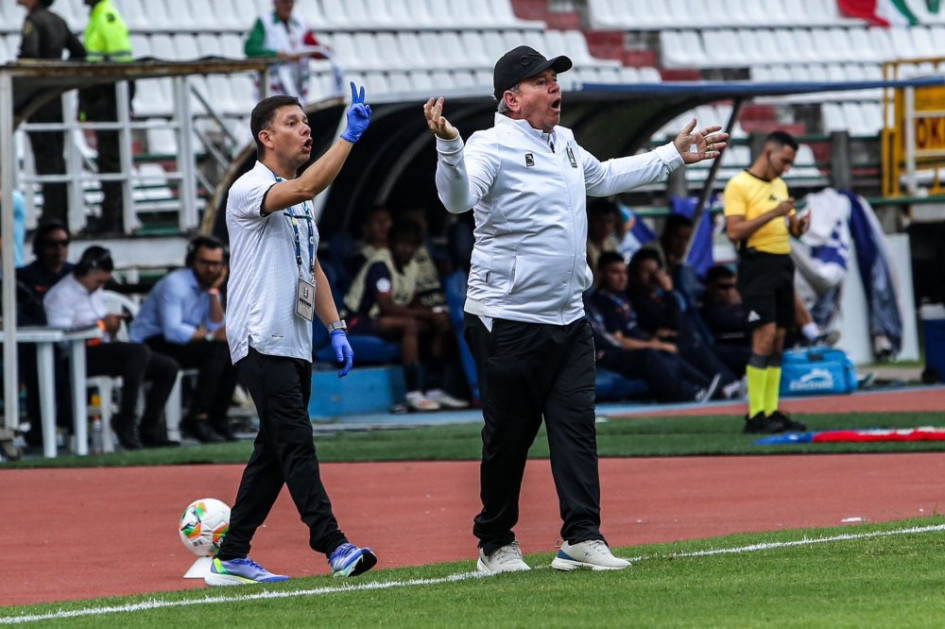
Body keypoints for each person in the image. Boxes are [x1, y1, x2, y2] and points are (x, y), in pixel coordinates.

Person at [424, 45, 727, 573]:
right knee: (508, 438)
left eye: (555, 79)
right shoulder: (487, 145)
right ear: (513, 100)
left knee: (576, 429)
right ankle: (494, 543)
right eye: (543, 82)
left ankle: (581, 537)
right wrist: (448, 146)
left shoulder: (563, 141)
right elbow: (456, 200)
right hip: (506, 319)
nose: (556, 88)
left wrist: (674, 154)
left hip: (568, 315)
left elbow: (604, 176)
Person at [207, 84, 376, 586]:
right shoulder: (249, 188)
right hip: (261, 338)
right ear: (265, 137)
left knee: (275, 450)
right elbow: (304, 188)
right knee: (297, 443)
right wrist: (347, 138)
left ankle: (232, 554)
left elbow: (313, 267)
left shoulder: (300, 203)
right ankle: (333, 544)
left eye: (307, 122)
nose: (305, 129)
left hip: (293, 339)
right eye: (293, 123)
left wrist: (336, 327)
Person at [43, 246, 179, 449]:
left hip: (103, 348)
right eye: (98, 281)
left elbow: (103, 328)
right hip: (77, 356)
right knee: (137, 352)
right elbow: (61, 337)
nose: (101, 286)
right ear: (86, 272)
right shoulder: (60, 295)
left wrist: (111, 328)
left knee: (167, 366)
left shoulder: (96, 291)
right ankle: (126, 418)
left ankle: (149, 426)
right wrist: (101, 326)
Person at [722, 130, 810, 434]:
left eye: (790, 163)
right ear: (768, 151)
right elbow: (734, 232)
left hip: (782, 264)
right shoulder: (739, 185)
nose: (786, 168)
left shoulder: (780, 184)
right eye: (784, 160)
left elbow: (788, 226)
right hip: (756, 265)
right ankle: (755, 413)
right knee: (765, 335)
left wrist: (798, 227)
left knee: (779, 339)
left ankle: (771, 409)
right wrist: (774, 213)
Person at [344, 220, 467, 412]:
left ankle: (434, 390)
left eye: (413, 245)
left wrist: (434, 315)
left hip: (386, 320)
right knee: (409, 324)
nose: (408, 250)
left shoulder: (412, 265)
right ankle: (413, 392)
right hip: (357, 320)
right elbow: (386, 307)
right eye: (403, 244)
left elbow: (413, 300)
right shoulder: (380, 264)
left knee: (440, 324)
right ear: (392, 243)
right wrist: (426, 314)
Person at [130, 236, 239, 443]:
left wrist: (215, 291)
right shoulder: (175, 284)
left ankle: (217, 418)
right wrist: (210, 336)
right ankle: (198, 417)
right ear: (191, 261)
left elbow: (217, 326)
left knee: (230, 351)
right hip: (149, 344)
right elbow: (173, 331)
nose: (211, 269)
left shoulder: (208, 287)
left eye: (216, 264)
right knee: (217, 349)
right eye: (205, 263)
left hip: (178, 343)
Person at [587, 252, 719, 403]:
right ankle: (684, 394)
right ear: (601, 274)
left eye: (624, 272)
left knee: (673, 350)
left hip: (632, 345)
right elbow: (617, 340)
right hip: (608, 352)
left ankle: (705, 386)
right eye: (615, 272)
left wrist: (652, 338)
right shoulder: (601, 300)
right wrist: (652, 344)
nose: (622, 277)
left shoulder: (624, 298)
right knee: (650, 354)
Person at [627, 248, 742, 396]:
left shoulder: (659, 298)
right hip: (668, 345)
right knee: (697, 350)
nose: (654, 277)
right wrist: (669, 291)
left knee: (732, 353)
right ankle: (726, 386)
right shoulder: (637, 300)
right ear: (635, 275)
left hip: (686, 341)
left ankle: (734, 384)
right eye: (646, 272)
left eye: (656, 272)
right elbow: (672, 322)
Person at [16, 0, 87, 226]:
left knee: (46, 161)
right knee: (57, 159)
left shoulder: (33, 21)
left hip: (38, 100)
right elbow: (80, 52)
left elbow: (29, 54)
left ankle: (50, 217)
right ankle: (59, 215)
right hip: (56, 100)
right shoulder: (58, 20)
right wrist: (60, 77)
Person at [15, 221, 74, 446]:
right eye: (52, 244)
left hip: (71, 343)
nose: (59, 249)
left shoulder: (75, 274)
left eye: (63, 243)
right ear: (38, 247)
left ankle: (70, 423)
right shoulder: (23, 277)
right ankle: (41, 428)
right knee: (38, 361)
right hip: (34, 344)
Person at [80, 0, 133, 234]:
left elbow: (121, 66)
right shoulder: (100, 16)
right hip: (108, 102)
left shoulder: (105, 17)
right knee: (108, 162)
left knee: (111, 162)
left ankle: (114, 219)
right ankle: (111, 216)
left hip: (111, 102)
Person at [244, 0, 335, 103]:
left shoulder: (301, 23)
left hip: (298, 84)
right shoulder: (265, 22)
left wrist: (323, 50)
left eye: (292, 2)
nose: (289, 5)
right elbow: (251, 49)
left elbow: (311, 45)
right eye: (285, 2)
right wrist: (275, 54)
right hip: (273, 86)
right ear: (275, 3)